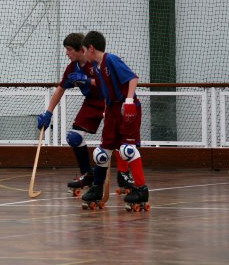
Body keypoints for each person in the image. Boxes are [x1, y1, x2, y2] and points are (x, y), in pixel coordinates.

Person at [36, 33, 135, 195]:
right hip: (91, 102)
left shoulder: (95, 61)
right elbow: (61, 89)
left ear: (81, 50)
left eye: (69, 50)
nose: (67, 54)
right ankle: (87, 174)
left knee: (116, 140)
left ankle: (124, 175)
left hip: (108, 100)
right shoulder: (72, 68)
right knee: (74, 137)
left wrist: (87, 80)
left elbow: (106, 80)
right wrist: (48, 112)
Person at [80, 31, 148, 209]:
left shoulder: (111, 60)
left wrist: (129, 100)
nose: (84, 53)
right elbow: (105, 91)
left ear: (91, 48)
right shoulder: (96, 67)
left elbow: (132, 78)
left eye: (84, 50)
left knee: (127, 150)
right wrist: (105, 109)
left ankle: (141, 189)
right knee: (101, 153)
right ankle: (97, 188)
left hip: (126, 108)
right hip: (111, 110)